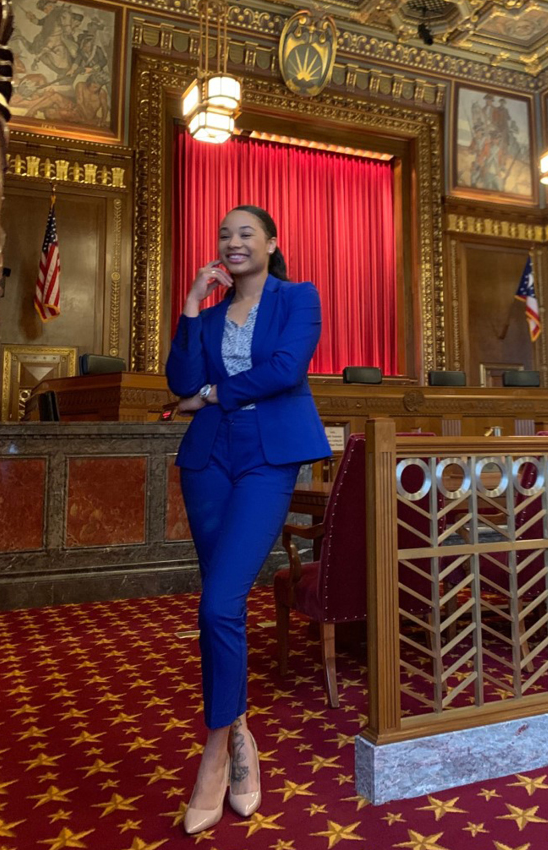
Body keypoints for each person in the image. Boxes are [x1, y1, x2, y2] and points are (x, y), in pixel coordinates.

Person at [166, 205, 331, 835]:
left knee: (217, 606)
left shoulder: (298, 298)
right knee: (220, 606)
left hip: (267, 457)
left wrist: (208, 394)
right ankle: (238, 732)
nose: (233, 243)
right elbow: (178, 377)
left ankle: (213, 756)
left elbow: (285, 370)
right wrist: (188, 304)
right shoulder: (207, 318)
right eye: (224, 236)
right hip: (207, 460)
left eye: (245, 234)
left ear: (270, 243)